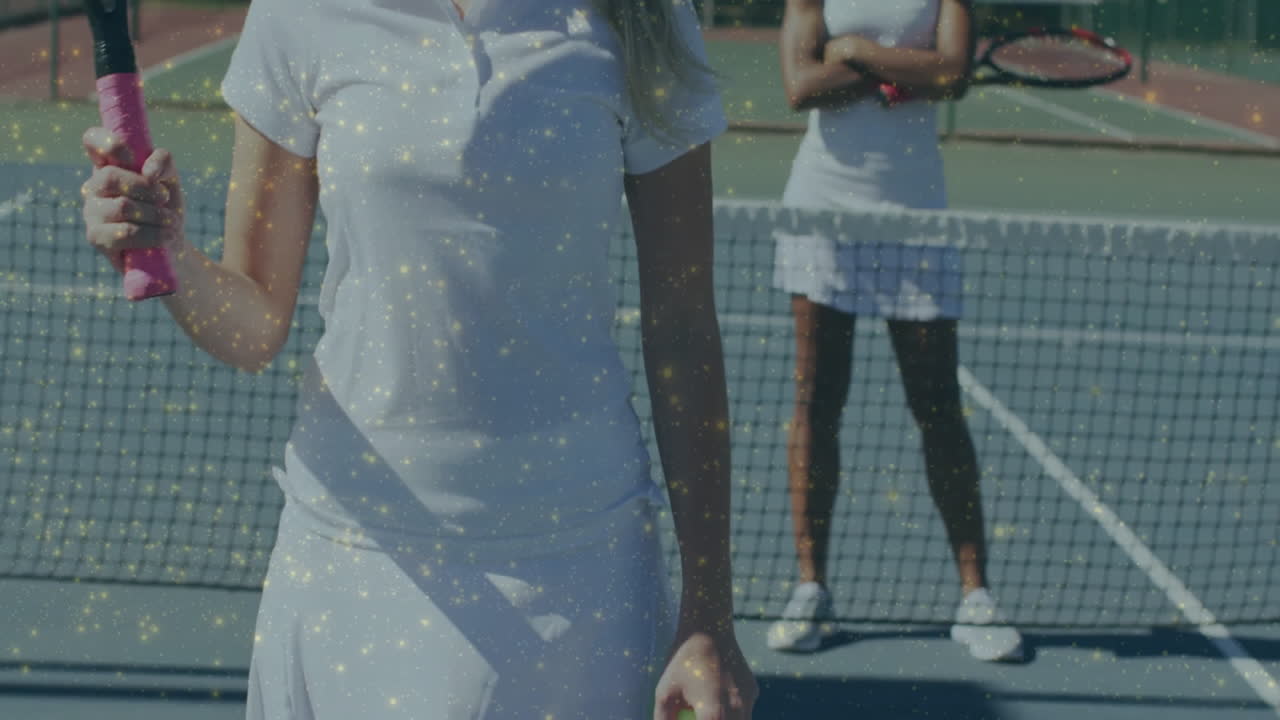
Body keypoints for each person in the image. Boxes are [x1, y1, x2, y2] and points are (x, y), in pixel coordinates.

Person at [78, 0, 758, 715]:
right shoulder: (298, 13)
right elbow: (253, 327)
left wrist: (708, 615)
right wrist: (170, 250)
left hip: (577, 573)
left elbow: (684, 328)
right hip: (346, 559)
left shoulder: (646, 14)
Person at [767, 0, 1023, 662]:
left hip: (916, 217)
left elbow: (952, 75)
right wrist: (905, 70)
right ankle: (811, 590)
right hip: (822, 211)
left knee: (937, 405)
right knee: (817, 400)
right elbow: (801, 87)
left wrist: (854, 53)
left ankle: (976, 598)